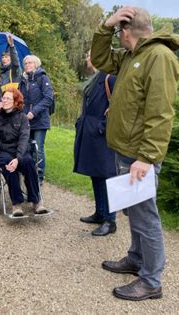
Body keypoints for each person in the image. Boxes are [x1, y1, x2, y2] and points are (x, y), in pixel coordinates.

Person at [91, 6, 179, 301]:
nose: (117, 36)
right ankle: (136, 259)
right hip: (126, 150)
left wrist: (147, 157)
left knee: (145, 217)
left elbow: (161, 113)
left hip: (140, 155)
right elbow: (101, 58)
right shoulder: (133, 56)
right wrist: (106, 26)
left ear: (126, 32)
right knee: (133, 212)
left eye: (118, 31)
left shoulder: (159, 57)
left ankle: (151, 280)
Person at [0, 87, 48, 216]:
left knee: (29, 163)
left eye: (8, 98)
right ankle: (17, 203)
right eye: (3, 98)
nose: (5, 100)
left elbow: (24, 139)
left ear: (15, 101)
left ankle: (36, 201)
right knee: (9, 167)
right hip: (3, 151)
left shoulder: (22, 118)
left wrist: (18, 158)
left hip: (19, 151)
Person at [73, 52, 117, 236]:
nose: (87, 59)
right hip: (89, 132)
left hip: (101, 134)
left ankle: (110, 219)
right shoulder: (95, 78)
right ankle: (100, 212)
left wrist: (103, 127)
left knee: (107, 176)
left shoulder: (110, 77)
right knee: (95, 174)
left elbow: (118, 105)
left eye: (91, 56)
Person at [19, 55, 54, 185]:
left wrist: (34, 112)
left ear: (36, 64)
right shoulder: (23, 80)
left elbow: (48, 98)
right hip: (26, 120)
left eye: (30, 63)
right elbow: (20, 99)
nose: (27, 65)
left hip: (40, 120)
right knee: (27, 148)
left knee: (38, 149)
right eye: (25, 63)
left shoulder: (43, 78)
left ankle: (39, 177)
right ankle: (29, 173)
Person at [0, 34, 21, 99]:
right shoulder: (3, 72)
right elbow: (0, 91)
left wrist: (12, 46)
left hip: (12, 103)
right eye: (3, 57)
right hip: (2, 102)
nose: (4, 59)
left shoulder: (14, 70)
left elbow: (15, 63)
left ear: (11, 58)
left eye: (7, 57)